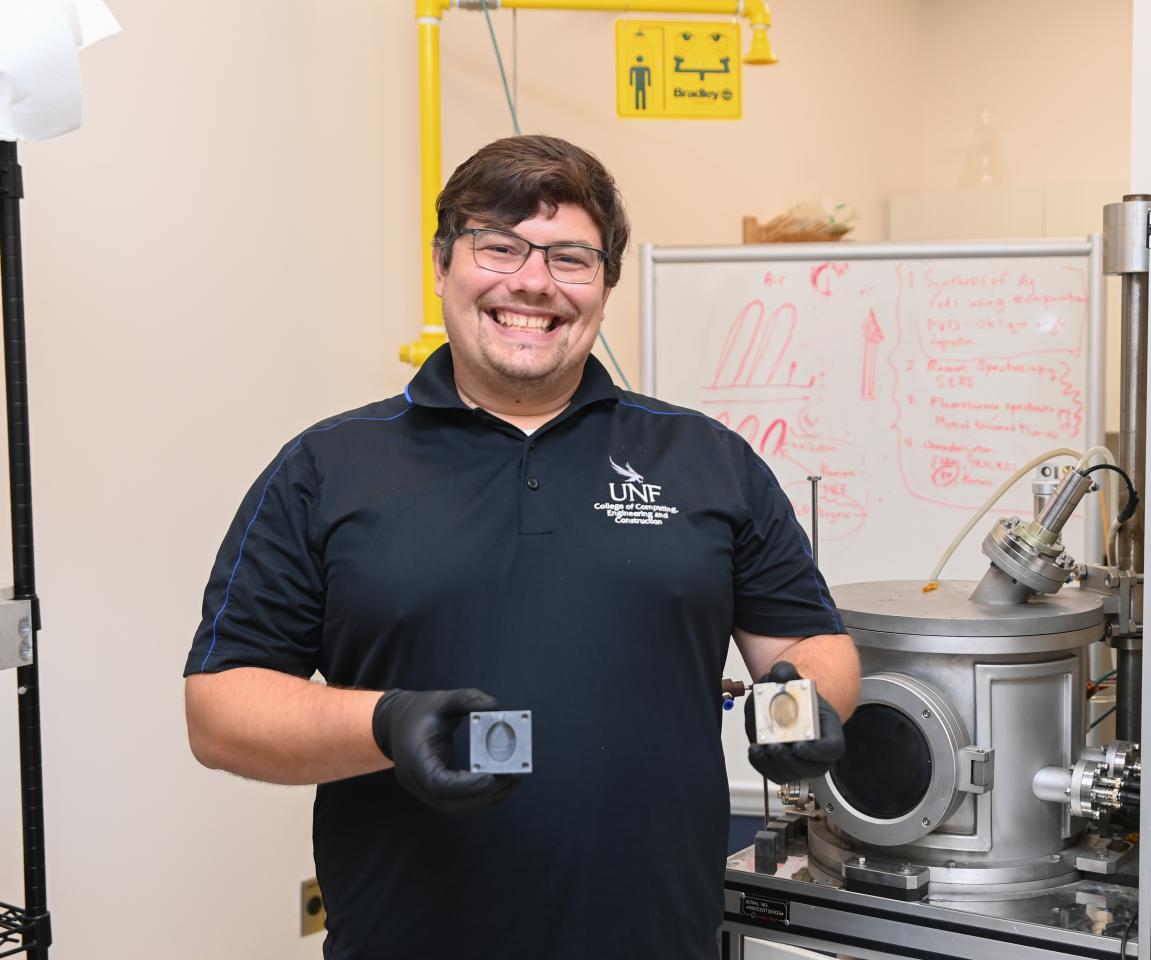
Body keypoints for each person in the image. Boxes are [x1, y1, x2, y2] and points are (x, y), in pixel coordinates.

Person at [183, 134, 860, 960]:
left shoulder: (706, 461)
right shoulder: (325, 469)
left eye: (571, 257)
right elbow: (220, 710)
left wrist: (809, 702)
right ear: (442, 263)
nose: (532, 281)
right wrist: (388, 723)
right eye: (498, 246)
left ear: (605, 285)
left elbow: (806, 643)